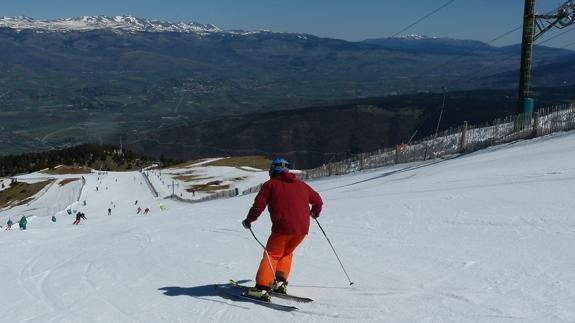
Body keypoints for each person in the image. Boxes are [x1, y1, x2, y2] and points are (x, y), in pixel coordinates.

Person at [241, 158, 323, 301]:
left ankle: (261, 288)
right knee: (286, 252)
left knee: (271, 254)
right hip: (302, 229)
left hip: (282, 228)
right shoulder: (301, 185)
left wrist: (249, 220)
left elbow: (258, 206)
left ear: (273, 170)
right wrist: (315, 213)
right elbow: (318, 201)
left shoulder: (271, 184)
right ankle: (279, 281)